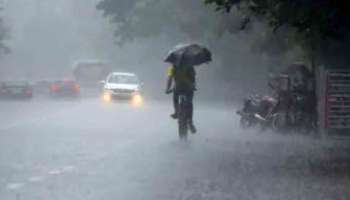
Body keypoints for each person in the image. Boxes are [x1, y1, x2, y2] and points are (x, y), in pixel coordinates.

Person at [165, 63, 197, 133]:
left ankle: (176, 112)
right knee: (190, 103)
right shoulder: (190, 66)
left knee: (175, 98)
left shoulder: (173, 67)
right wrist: (194, 86)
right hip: (188, 89)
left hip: (177, 89)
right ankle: (190, 122)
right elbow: (193, 79)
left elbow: (169, 78)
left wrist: (167, 89)